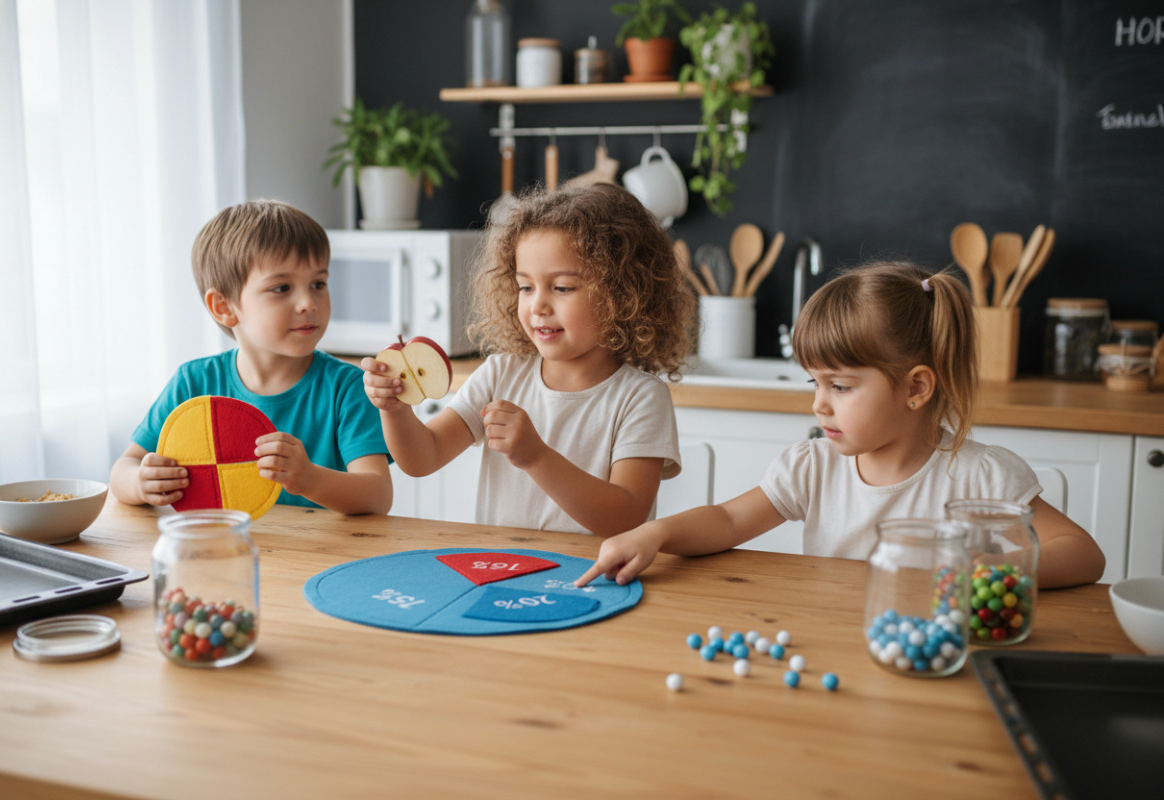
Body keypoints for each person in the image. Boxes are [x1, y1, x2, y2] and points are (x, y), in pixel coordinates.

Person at [576, 261, 1106, 589]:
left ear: (916, 388)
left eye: (841, 386)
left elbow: (1083, 554)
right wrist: (655, 532)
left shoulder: (981, 475)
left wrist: (988, 571)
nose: (820, 406)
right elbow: (729, 522)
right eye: (815, 384)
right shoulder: (815, 466)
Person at [362, 183, 696, 535]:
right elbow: (422, 458)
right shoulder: (500, 376)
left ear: (622, 293)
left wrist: (537, 457)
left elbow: (626, 518)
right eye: (526, 287)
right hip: (501, 571)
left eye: (562, 287)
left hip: (597, 579)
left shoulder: (640, 398)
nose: (537, 306)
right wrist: (395, 410)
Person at [110, 199, 392, 515]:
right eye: (282, 287)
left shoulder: (347, 388)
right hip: (220, 548)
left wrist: (310, 479)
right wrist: (141, 483)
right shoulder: (193, 382)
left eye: (318, 284)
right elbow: (123, 469)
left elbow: (378, 495)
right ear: (224, 307)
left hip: (318, 558)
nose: (307, 303)